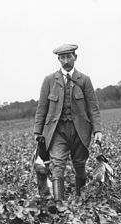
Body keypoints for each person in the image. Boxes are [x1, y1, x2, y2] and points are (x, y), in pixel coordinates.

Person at [34, 44, 102, 208]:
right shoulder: (50, 80)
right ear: (58, 59)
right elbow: (42, 107)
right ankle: (59, 204)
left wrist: (97, 130)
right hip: (57, 131)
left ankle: (81, 198)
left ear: (75, 58)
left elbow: (93, 107)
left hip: (80, 130)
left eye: (68, 57)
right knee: (57, 165)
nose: (65, 61)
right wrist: (37, 130)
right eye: (62, 58)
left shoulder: (84, 80)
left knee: (80, 165)